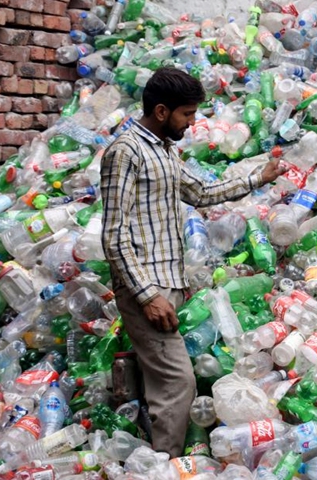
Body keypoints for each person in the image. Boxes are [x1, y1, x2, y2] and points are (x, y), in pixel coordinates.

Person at [100, 67, 285, 456]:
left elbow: (200, 192)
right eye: (187, 114)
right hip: (144, 287)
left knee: (162, 377)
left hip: (167, 282)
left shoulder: (164, 151)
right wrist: (148, 296)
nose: (193, 121)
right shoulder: (126, 152)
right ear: (163, 111)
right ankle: (164, 463)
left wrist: (257, 178)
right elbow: (114, 235)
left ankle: (148, 447)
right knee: (178, 383)